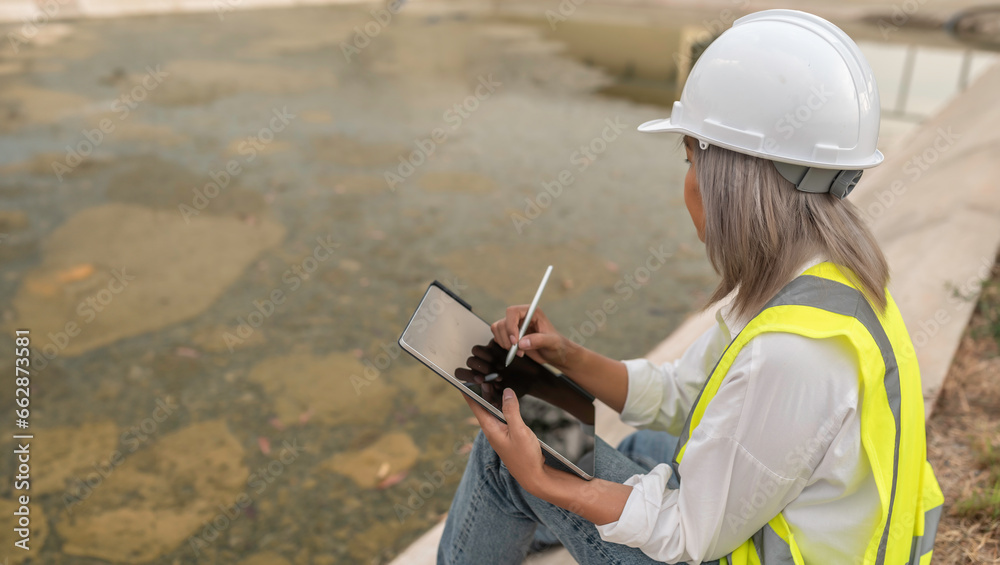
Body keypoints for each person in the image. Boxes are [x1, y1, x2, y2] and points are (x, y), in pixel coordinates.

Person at [438, 9, 943, 565]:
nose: (687, 184)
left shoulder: (789, 353)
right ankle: (528, 510)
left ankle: (519, 499)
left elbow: (687, 533)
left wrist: (545, 482)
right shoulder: (825, 279)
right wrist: (568, 356)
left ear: (729, 181)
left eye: (689, 160)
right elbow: (683, 395)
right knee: (639, 448)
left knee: (503, 458)